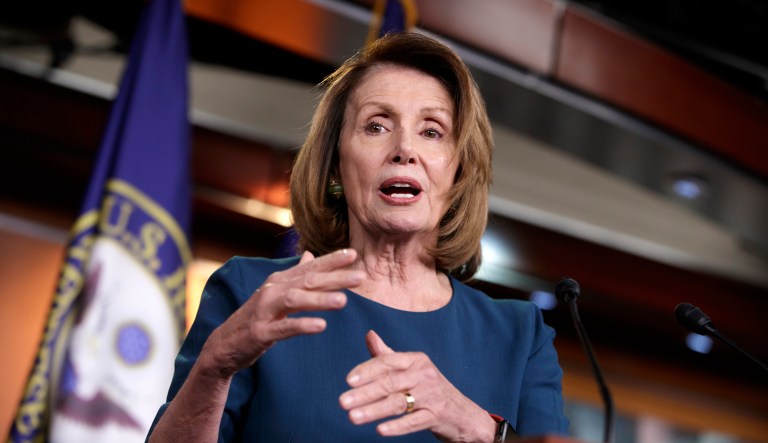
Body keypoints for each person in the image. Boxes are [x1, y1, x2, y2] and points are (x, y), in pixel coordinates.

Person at [147, 31, 569, 442]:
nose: (405, 149)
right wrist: (213, 369)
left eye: (432, 131)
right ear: (334, 167)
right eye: (377, 126)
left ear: (457, 171)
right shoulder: (253, 293)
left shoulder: (520, 337)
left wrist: (474, 426)